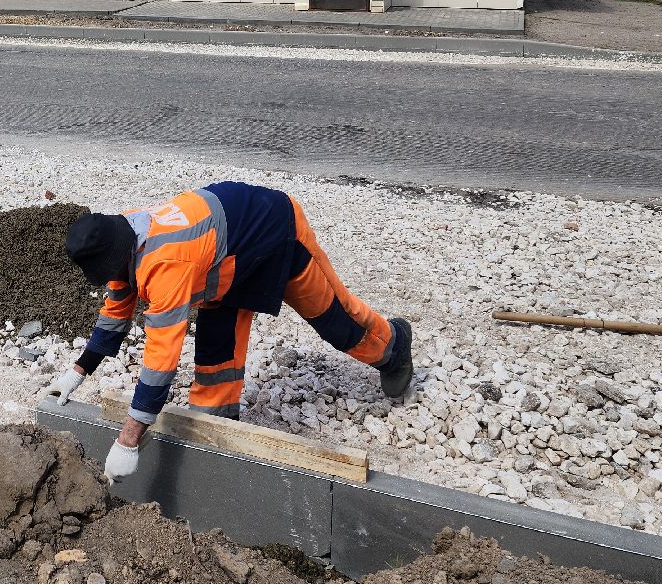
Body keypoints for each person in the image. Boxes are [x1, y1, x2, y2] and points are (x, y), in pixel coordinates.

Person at [48, 182, 413, 482]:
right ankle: (217, 429)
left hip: (273, 226)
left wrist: (128, 440)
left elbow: (161, 361)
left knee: (335, 318)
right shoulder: (120, 235)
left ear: (121, 253)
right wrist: (77, 373)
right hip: (222, 261)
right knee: (215, 348)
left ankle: (392, 347)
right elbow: (115, 313)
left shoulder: (166, 264)